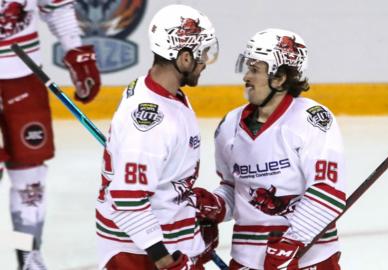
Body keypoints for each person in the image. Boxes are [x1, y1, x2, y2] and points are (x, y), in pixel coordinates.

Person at [193, 28, 347, 269]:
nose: (246, 77)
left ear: (280, 77)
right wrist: (215, 206)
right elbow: (235, 190)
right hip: (246, 260)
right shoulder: (229, 126)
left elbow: (328, 191)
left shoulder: (311, 120)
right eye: (248, 68)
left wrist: (292, 241)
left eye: (255, 70)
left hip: (309, 260)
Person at [95, 4, 219, 270]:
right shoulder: (150, 122)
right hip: (142, 255)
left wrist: (190, 231)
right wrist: (166, 260)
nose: (205, 63)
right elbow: (127, 198)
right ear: (184, 58)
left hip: (167, 242)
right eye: (203, 54)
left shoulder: (160, 92)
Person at [0, 0, 101, 269]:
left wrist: (75, 49)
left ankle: (26, 255)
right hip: (22, 69)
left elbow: (56, 7)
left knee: (29, 181)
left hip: (23, 73)